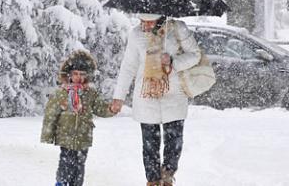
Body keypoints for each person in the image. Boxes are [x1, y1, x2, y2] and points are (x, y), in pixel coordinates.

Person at [109, 14, 201, 186]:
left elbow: (195, 55)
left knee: (174, 142)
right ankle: (152, 180)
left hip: (174, 94)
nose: (145, 25)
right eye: (142, 21)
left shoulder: (178, 29)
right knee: (149, 145)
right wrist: (118, 97)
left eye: (149, 21)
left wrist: (172, 61)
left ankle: (167, 177)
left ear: (160, 17)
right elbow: (128, 66)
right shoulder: (136, 34)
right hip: (146, 95)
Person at [41, 50, 113, 186]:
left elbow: (100, 108)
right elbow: (51, 114)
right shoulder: (62, 92)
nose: (78, 77)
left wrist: (111, 109)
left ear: (87, 75)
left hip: (83, 135)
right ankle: (61, 183)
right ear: (69, 75)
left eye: (82, 74)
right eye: (75, 74)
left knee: (80, 164)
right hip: (65, 134)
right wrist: (48, 135)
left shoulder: (90, 93)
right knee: (66, 161)